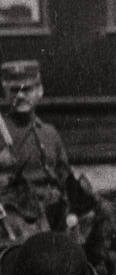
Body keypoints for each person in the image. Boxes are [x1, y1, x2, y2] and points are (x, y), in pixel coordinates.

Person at [0, 61, 73, 243]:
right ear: (5, 94)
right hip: (14, 222)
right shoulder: (2, 134)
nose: (21, 96)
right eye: (15, 90)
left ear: (40, 90)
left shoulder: (49, 133)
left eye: (27, 89)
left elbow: (65, 178)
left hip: (52, 216)